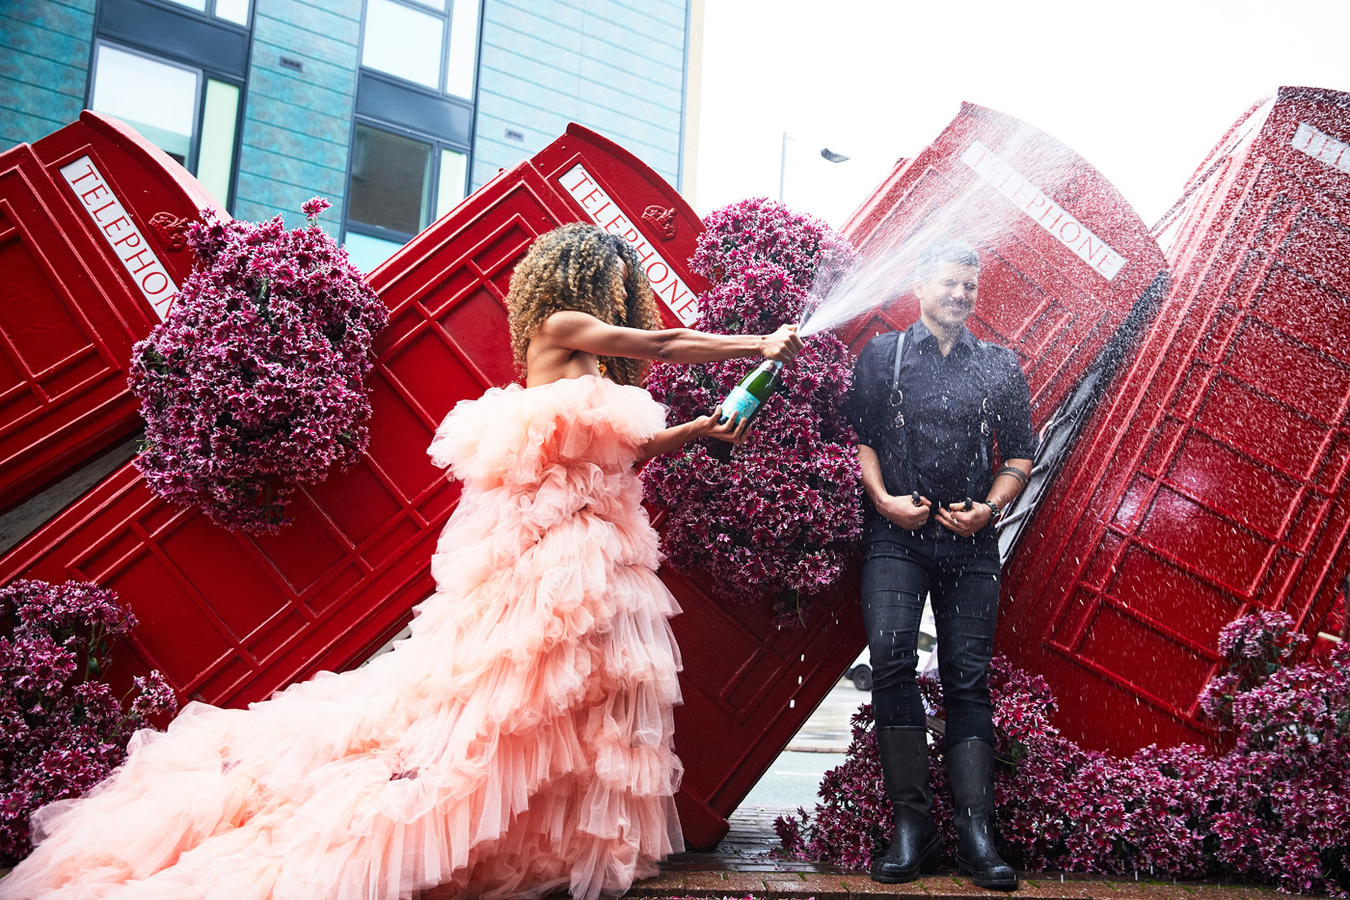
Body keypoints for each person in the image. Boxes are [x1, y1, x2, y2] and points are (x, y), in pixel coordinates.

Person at [0, 222, 802, 900]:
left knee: (572, 696)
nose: (623, 291)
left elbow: (621, 449)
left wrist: (697, 432)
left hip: (597, 541)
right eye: (616, 277)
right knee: (514, 693)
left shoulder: (587, 363)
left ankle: (534, 830)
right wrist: (757, 343)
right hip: (550, 552)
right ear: (584, 278)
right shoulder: (563, 327)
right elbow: (661, 343)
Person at [843, 239, 1034, 891]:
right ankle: (912, 828)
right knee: (892, 661)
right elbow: (862, 439)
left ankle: (977, 835)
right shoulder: (883, 355)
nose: (960, 295)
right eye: (949, 283)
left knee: (967, 679)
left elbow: (1020, 453)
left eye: (969, 286)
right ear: (920, 286)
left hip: (971, 544)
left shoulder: (999, 363)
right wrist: (882, 500)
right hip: (896, 538)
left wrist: (992, 509)